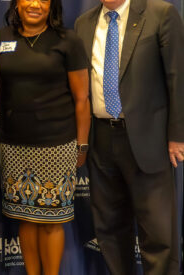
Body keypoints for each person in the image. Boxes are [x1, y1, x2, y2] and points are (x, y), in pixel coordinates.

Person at [74, 0, 184, 273]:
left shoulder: (160, 13)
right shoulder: (83, 23)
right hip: (100, 139)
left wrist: (177, 135)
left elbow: (178, 77)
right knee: (109, 230)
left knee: (158, 235)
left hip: (149, 141)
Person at [0, 0, 90, 274]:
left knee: (51, 220)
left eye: (44, 0)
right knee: (25, 217)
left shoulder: (67, 41)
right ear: (17, 3)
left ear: (52, 7)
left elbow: (82, 99)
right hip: (13, 145)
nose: (35, 4)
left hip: (56, 145)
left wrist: (82, 144)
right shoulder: (2, 38)